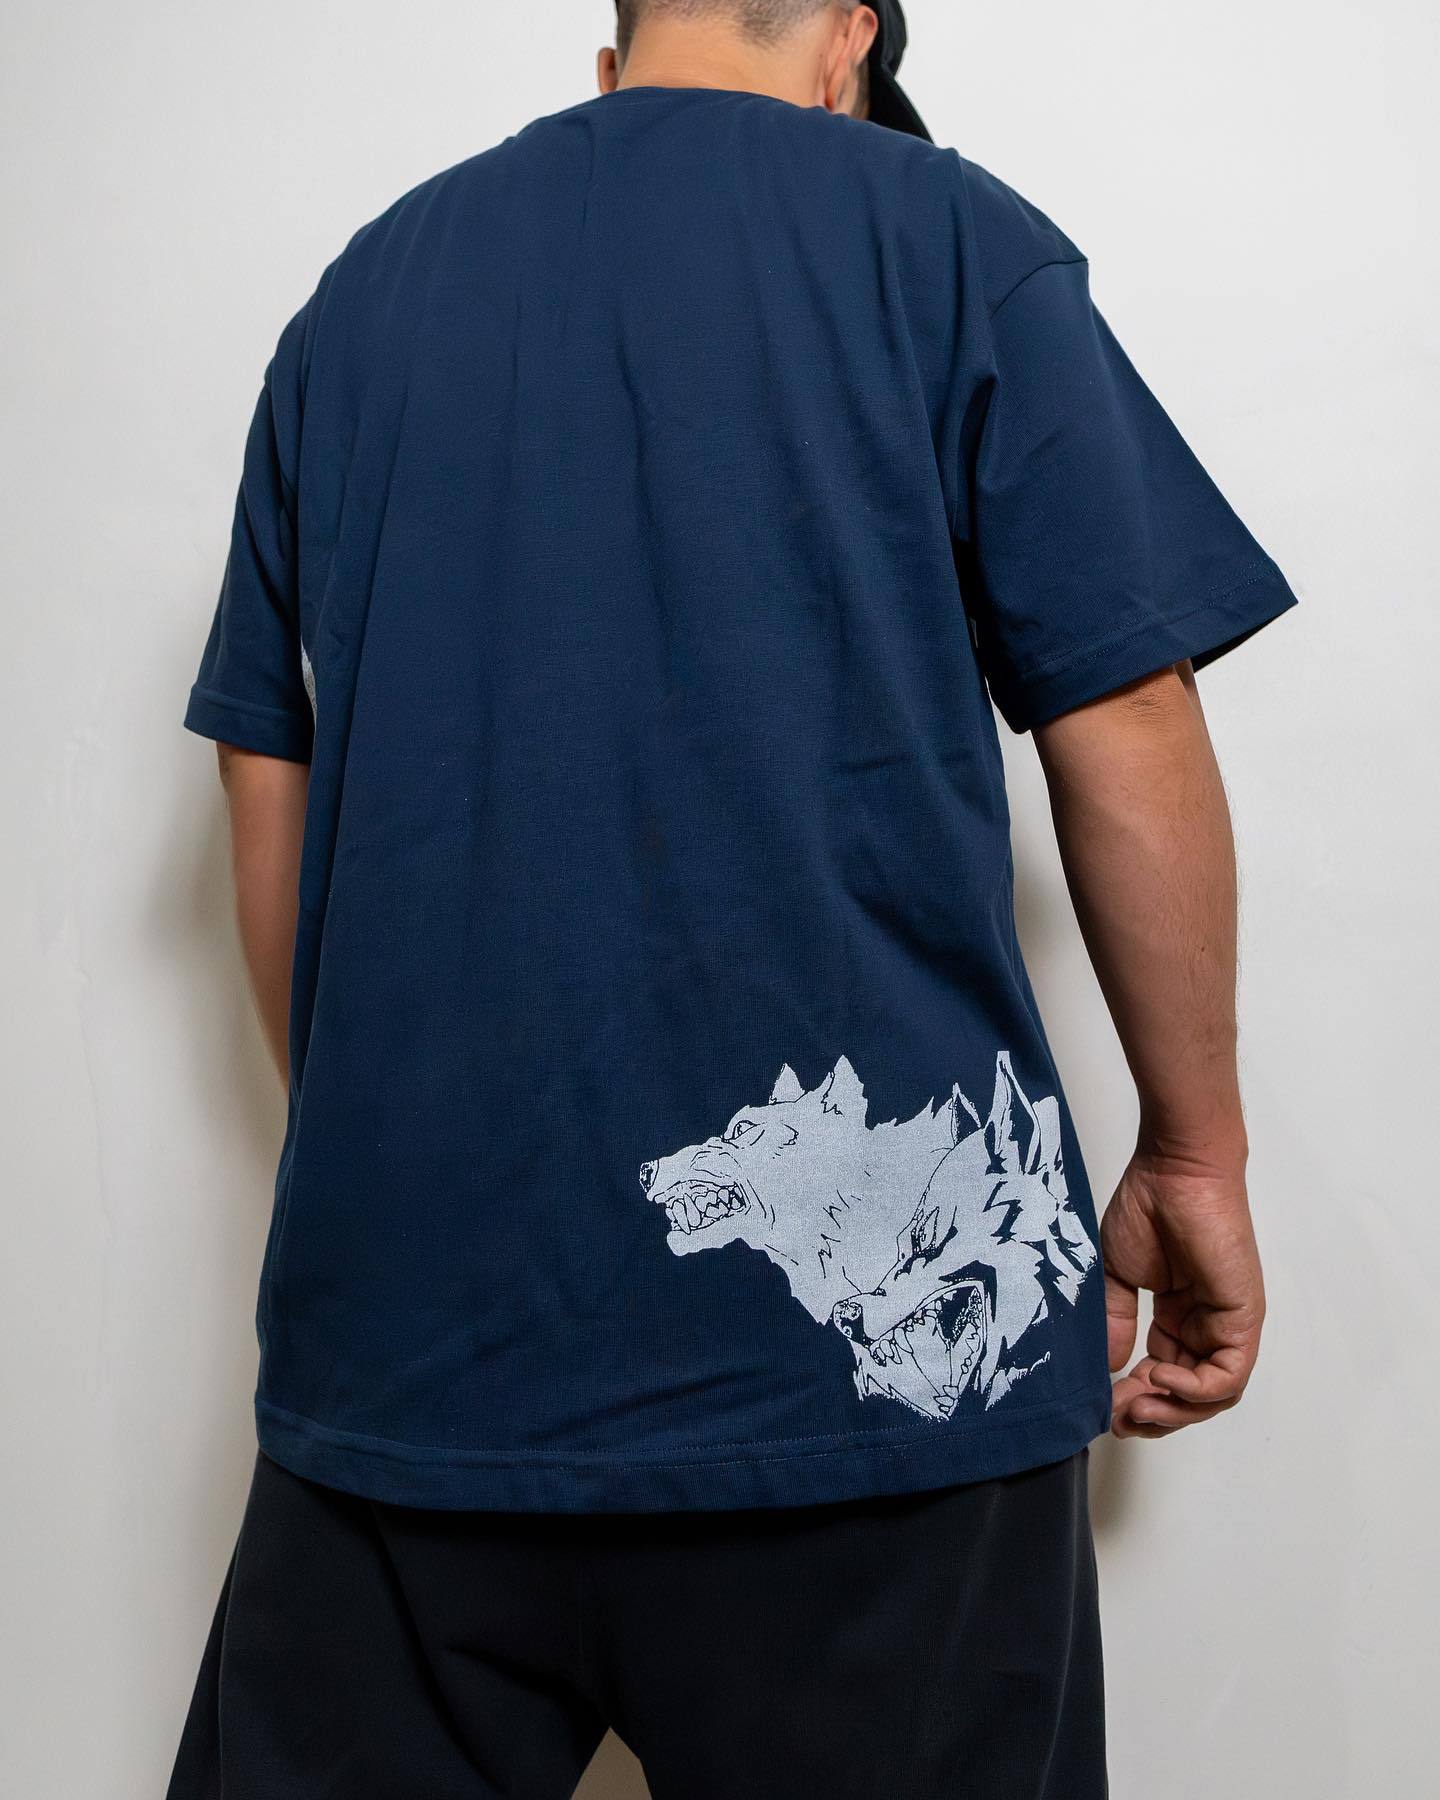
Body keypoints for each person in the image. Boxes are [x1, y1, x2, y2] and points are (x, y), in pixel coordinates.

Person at [168, 2, 1295, 1795]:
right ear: (849, 45)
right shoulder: (949, 239)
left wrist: (402, 1185)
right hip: (865, 1409)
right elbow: (1127, 708)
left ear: (609, 62)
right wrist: (1197, 1157)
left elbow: (267, 770)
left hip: (413, 1367)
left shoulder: (362, 297)